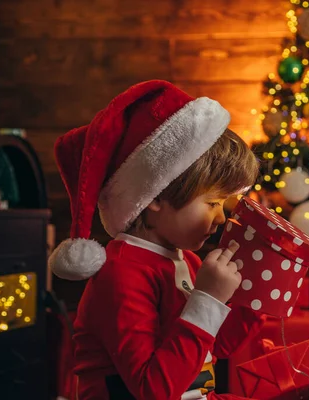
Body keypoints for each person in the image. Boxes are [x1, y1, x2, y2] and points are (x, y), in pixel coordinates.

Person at [48, 80, 265, 399]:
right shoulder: (122, 274)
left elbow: (213, 347)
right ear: (157, 194)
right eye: (212, 203)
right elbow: (154, 390)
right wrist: (207, 300)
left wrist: (253, 297)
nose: (220, 219)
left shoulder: (186, 260)